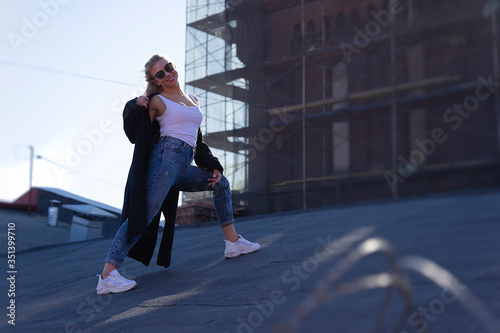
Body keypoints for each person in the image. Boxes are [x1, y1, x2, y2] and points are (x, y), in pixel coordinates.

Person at [96, 54, 260, 295]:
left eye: (168, 67)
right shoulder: (155, 101)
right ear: (156, 81)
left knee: (220, 183)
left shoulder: (192, 99)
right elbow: (134, 132)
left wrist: (212, 164)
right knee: (145, 214)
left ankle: (233, 243)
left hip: (184, 163)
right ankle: (107, 276)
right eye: (160, 74)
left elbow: (197, 140)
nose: (168, 74)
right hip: (165, 160)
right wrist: (134, 105)